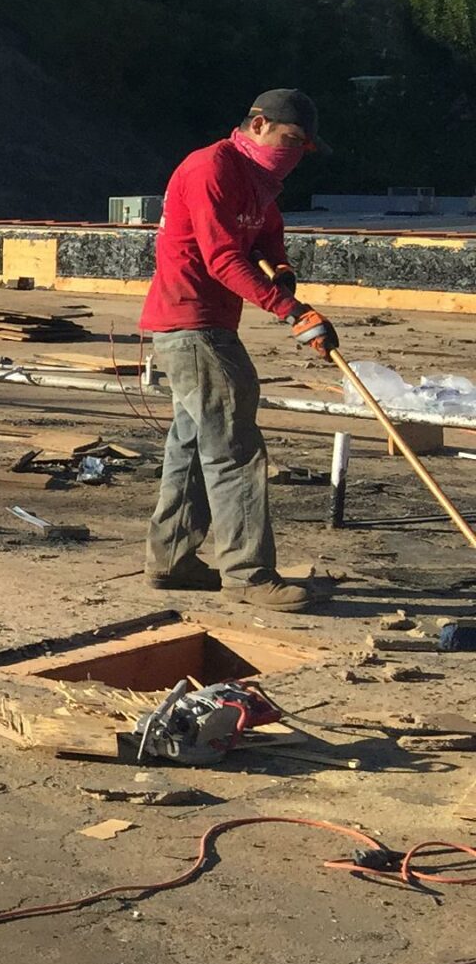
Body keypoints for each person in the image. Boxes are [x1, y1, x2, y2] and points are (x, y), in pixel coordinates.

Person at [139, 88, 338, 611]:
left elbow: (267, 231)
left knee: (191, 440)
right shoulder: (211, 168)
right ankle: (248, 574)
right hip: (191, 323)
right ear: (257, 124)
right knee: (234, 445)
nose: (293, 155)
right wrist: (294, 313)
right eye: (288, 140)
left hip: (206, 323)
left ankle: (173, 558)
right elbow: (224, 258)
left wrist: (283, 265)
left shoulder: (258, 181)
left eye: (303, 148)